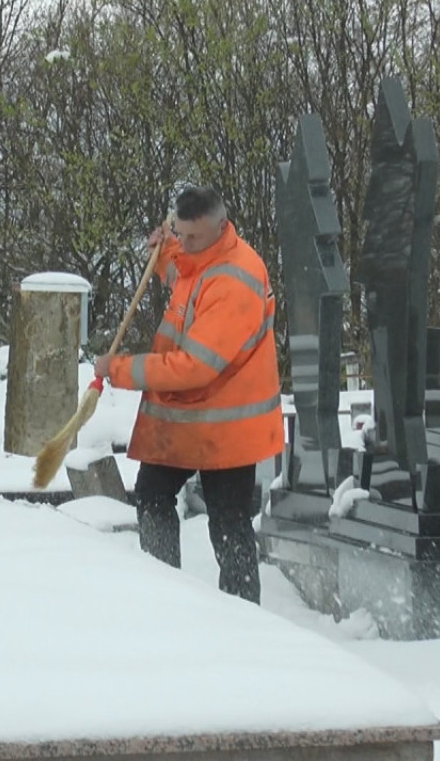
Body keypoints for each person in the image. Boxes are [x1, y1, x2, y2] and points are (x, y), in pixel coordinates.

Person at [94, 186, 283, 603]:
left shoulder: (236, 279)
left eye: (193, 236)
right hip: (189, 417)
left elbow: (194, 366)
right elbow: (188, 282)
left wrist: (120, 369)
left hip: (228, 425)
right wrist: (165, 255)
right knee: (152, 494)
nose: (186, 243)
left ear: (221, 225)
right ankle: (165, 595)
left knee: (228, 522)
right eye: (180, 233)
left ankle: (242, 615)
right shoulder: (203, 258)